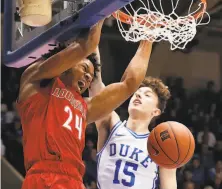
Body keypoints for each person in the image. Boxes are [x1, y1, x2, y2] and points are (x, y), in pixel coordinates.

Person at [16, 18, 153, 189]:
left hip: (74, 181)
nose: (88, 78)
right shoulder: (36, 79)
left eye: (90, 76)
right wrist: (102, 10)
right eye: (85, 69)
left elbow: (129, 84)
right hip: (43, 175)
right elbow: (85, 46)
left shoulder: (85, 107)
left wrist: (148, 39)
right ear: (69, 63)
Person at [89, 49, 176, 189]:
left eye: (147, 95)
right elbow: (95, 82)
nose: (138, 96)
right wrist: (93, 41)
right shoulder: (111, 124)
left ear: (156, 111)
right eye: (137, 93)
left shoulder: (160, 145)